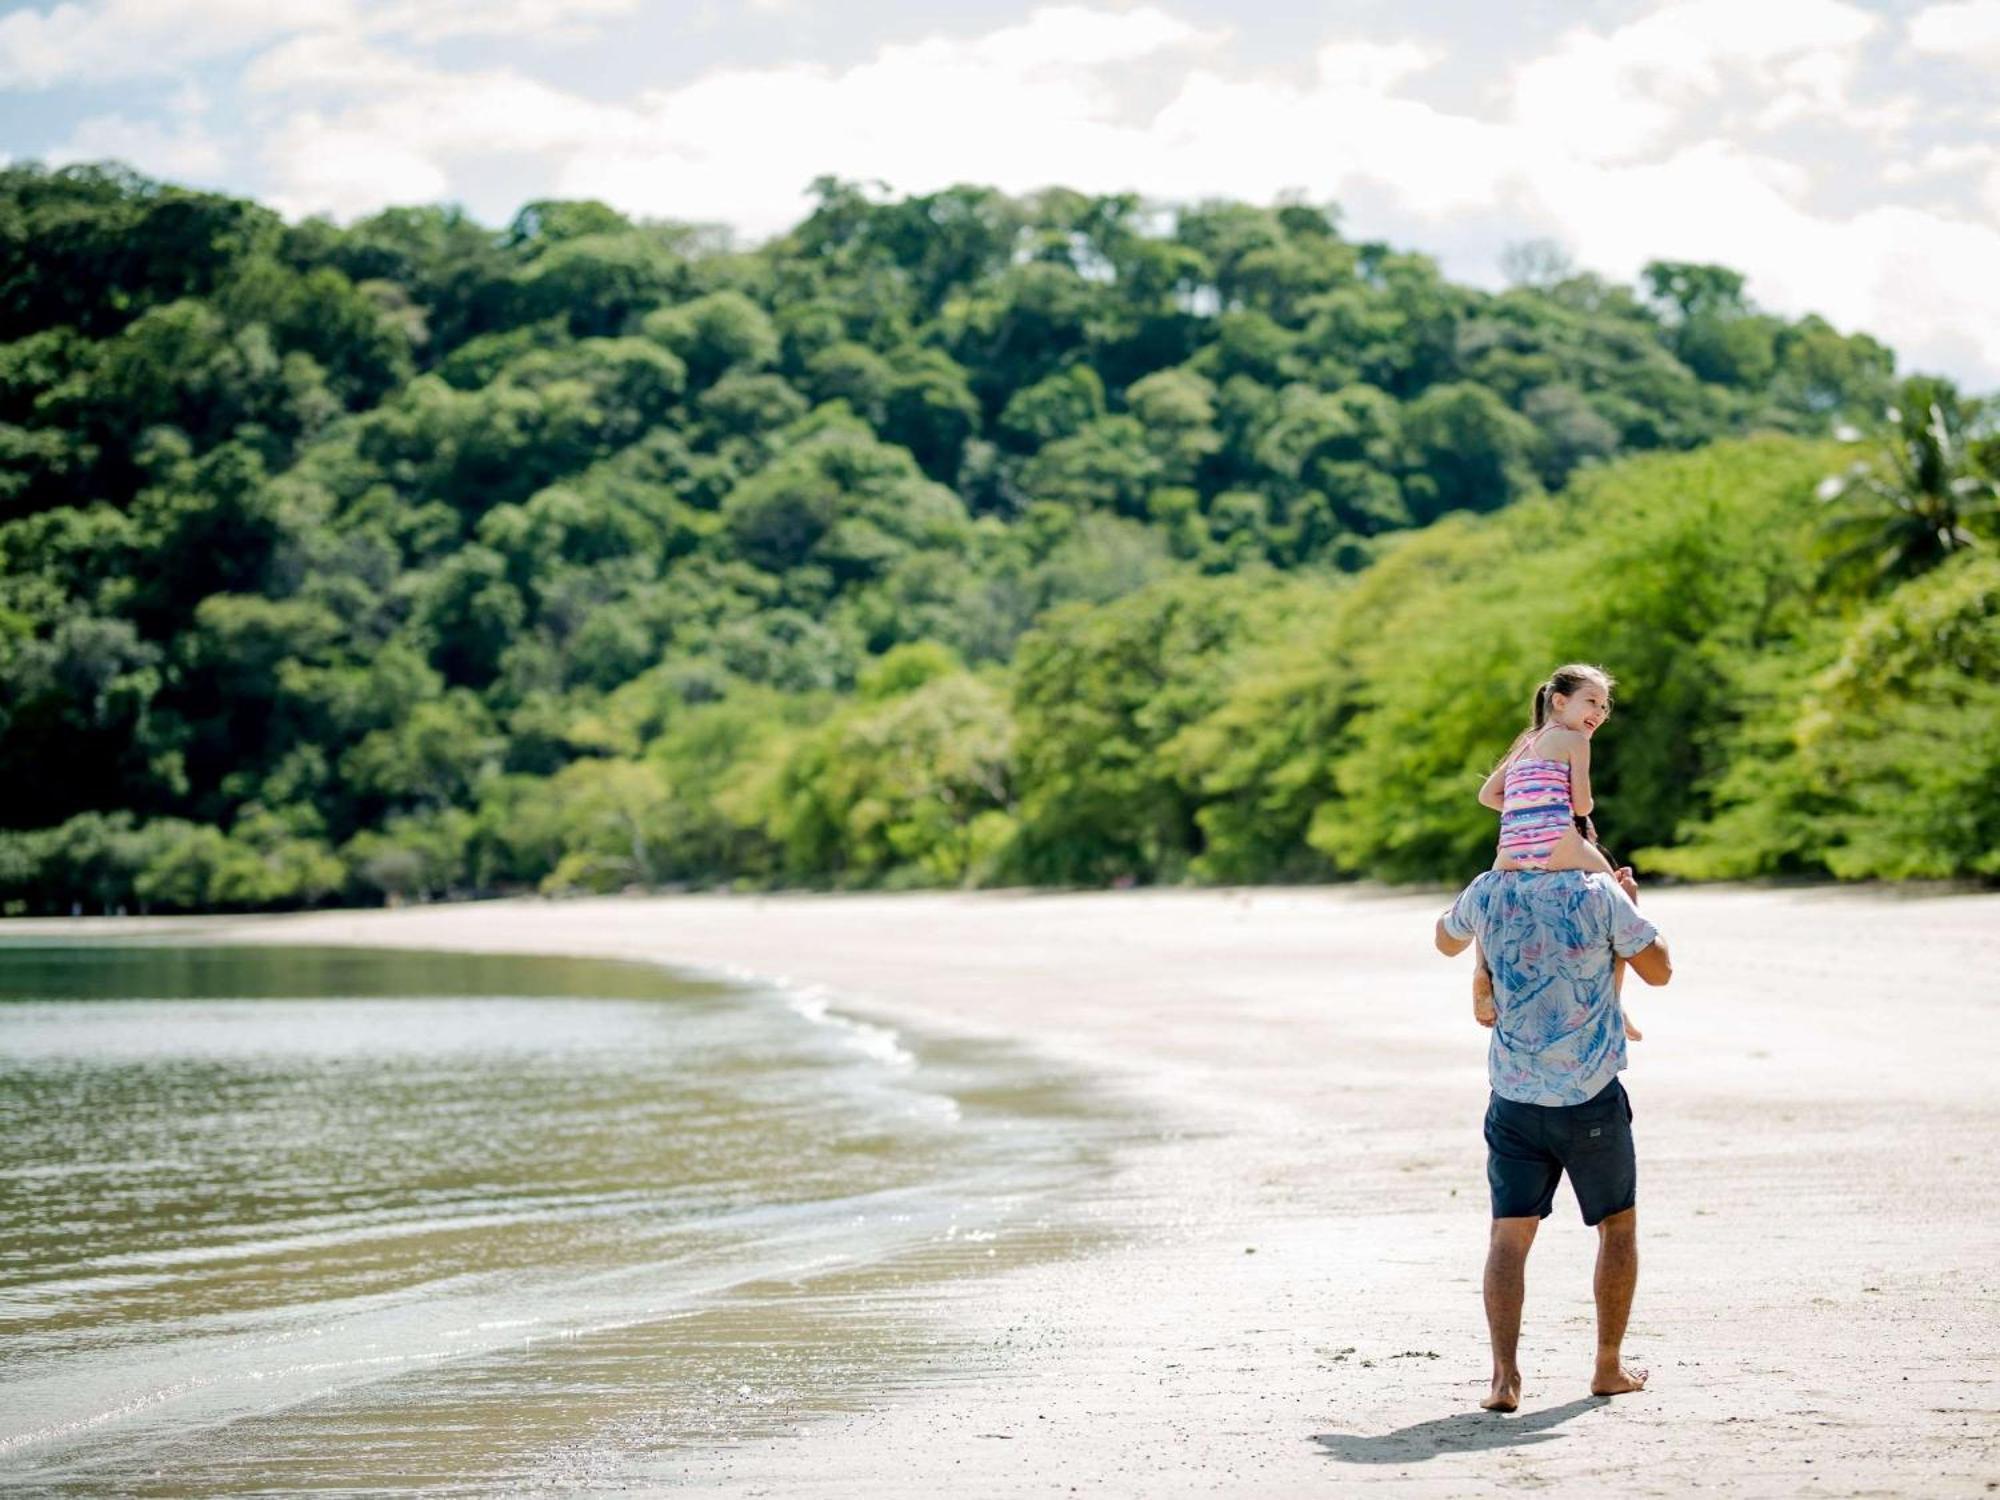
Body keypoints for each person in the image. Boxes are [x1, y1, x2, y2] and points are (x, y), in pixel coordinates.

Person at [1434, 860, 1674, 1413]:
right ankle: (1608, 1366)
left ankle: (1503, 1379)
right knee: (1617, 1228)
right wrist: (1627, 905)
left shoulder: (1490, 889)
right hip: (1588, 1098)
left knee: (1508, 1239)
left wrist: (1479, 925)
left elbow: (1444, 939)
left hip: (1515, 1098)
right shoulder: (1598, 893)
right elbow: (1659, 971)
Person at [1469, 664, 1641, 1043]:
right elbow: (1582, 806)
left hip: (1512, 846)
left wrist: (1527, 809)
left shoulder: (1526, 743)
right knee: (1618, 896)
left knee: (1489, 899)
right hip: (1558, 842)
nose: (1600, 712)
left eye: (1605, 705)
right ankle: (1613, 1002)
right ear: (1560, 702)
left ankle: (1482, 970)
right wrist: (1554, 813)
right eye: (1591, 701)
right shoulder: (1575, 741)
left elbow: (1487, 796)